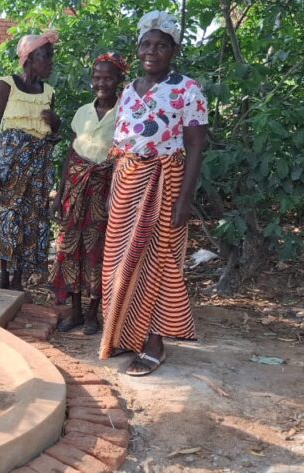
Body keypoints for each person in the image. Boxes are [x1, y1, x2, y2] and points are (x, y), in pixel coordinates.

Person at [99, 11, 208, 376]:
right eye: (146, 44)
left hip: (166, 179)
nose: (152, 51)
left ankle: (155, 343)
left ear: (174, 50)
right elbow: (123, 141)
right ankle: (124, 334)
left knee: (159, 262)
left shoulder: (187, 90)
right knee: (120, 260)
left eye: (161, 45)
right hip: (127, 179)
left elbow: (195, 146)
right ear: (138, 47)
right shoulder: (129, 90)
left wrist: (185, 199)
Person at [50, 53, 128, 335]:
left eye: (108, 77)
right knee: (69, 248)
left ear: (119, 80)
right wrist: (59, 195)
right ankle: (76, 312)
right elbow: (72, 155)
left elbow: (124, 158)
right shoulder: (82, 112)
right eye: (96, 77)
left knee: (97, 251)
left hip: (104, 190)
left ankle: (93, 315)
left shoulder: (125, 113)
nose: (101, 82)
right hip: (75, 188)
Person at [0, 31, 61, 291]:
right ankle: (5, 275)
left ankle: (19, 279)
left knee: (32, 219)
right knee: (7, 216)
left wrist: (56, 122)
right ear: (29, 58)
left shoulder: (48, 91)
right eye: (46, 56)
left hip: (38, 164)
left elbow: (53, 131)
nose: (50, 62)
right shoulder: (7, 85)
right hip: (9, 162)